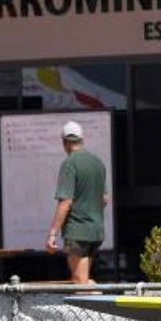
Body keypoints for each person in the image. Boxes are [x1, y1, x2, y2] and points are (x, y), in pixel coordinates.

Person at [46, 120, 109, 284]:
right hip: (96, 230)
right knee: (85, 279)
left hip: (77, 231)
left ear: (65, 142)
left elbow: (65, 202)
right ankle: (97, 302)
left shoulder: (70, 163)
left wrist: (53, 233)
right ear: (82, 139)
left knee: (79, 281)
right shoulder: (98, 163)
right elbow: (104, 199)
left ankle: (95, 307)